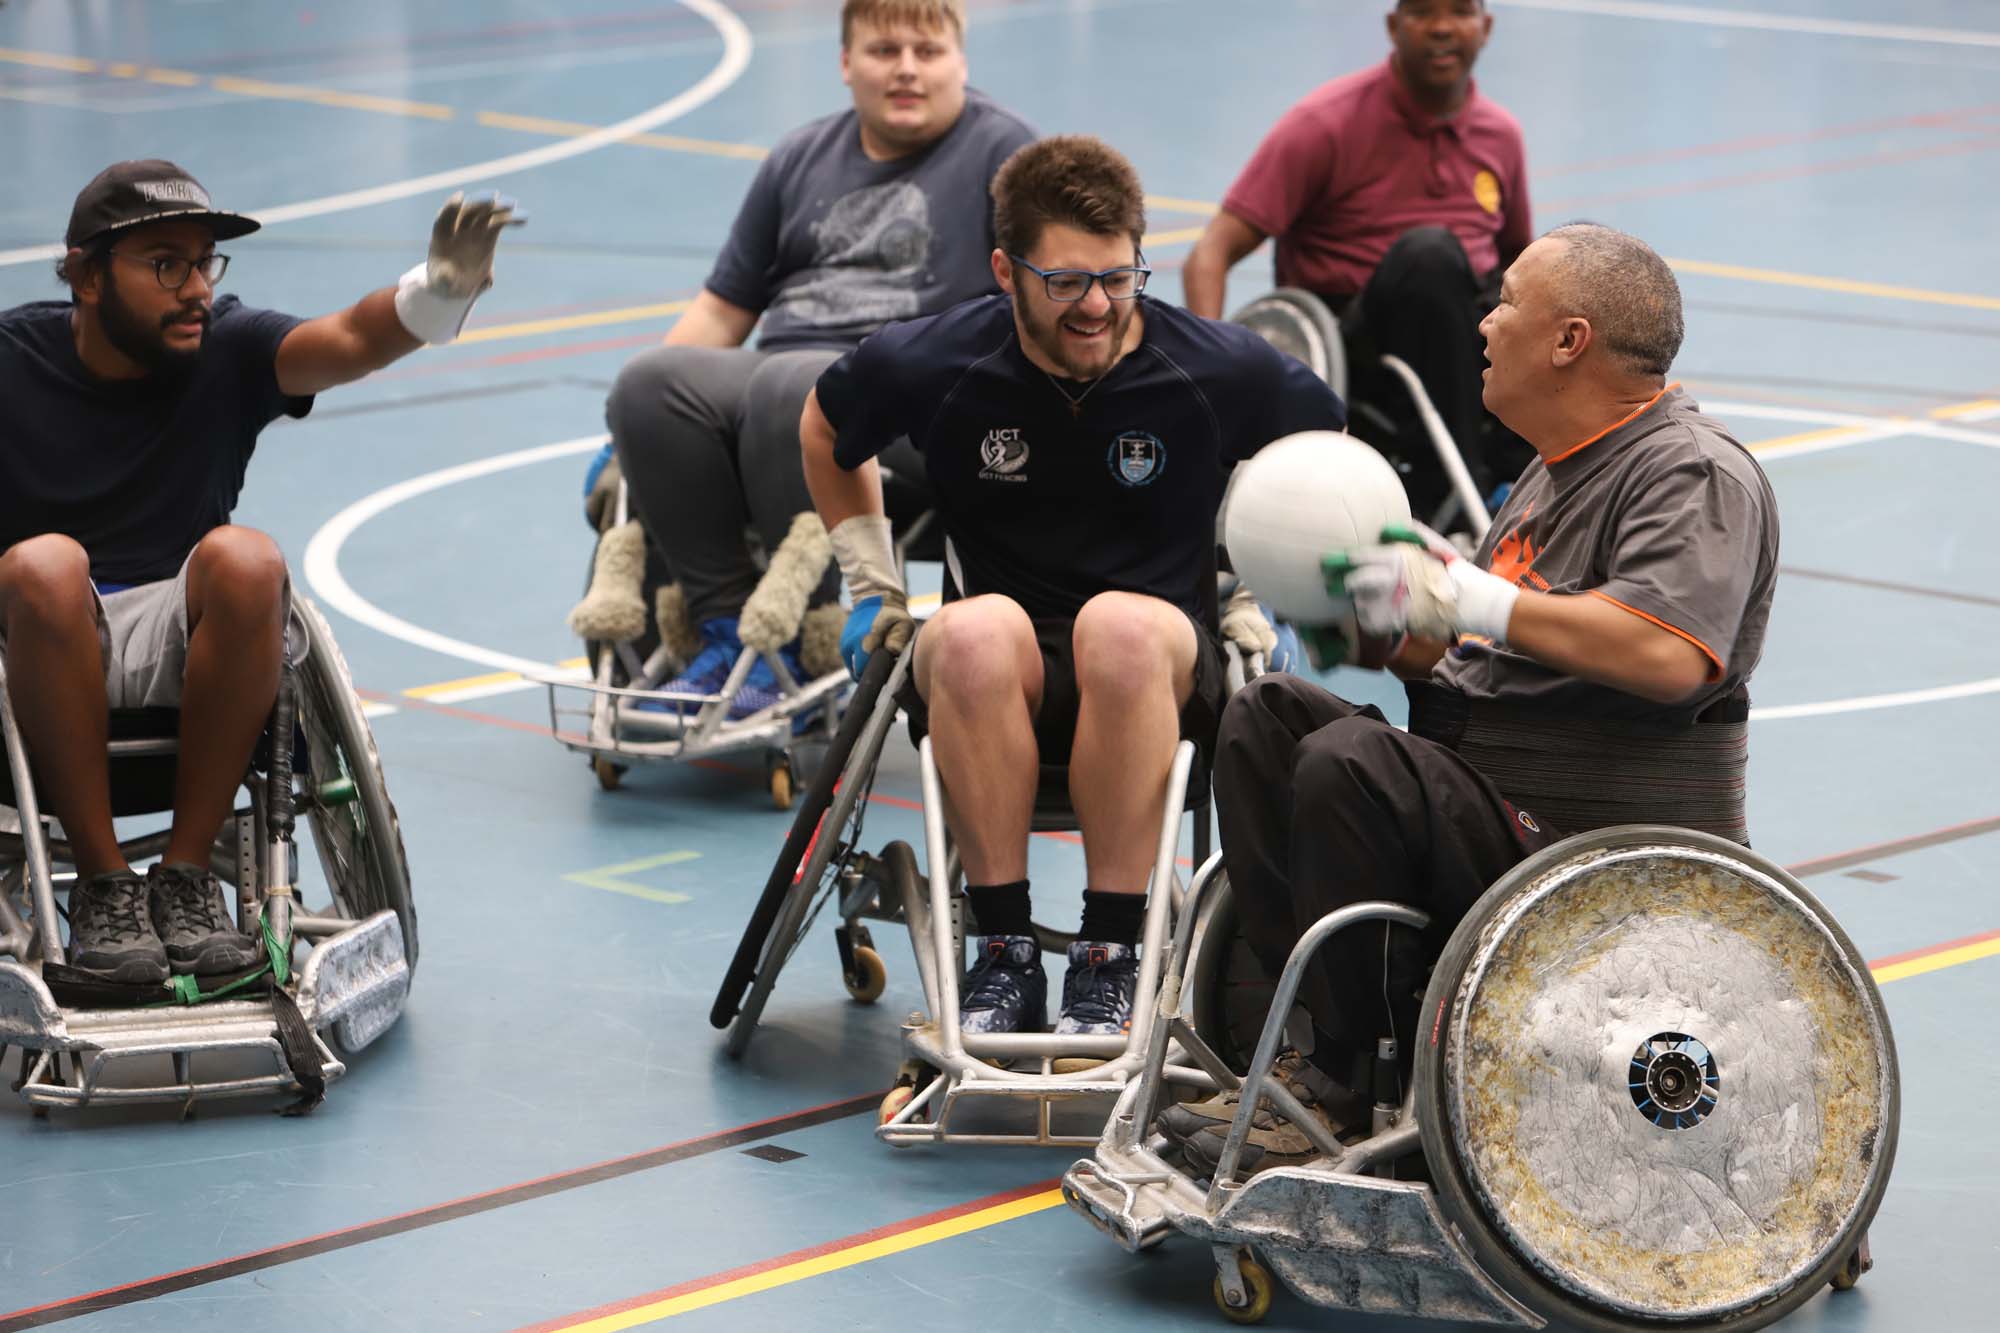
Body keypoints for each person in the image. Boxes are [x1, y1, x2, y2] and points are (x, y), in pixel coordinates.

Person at [1163, 223, 1780, 1176]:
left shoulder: (1690, 471)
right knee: (1265, 715)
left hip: (1592, 833)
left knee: (1351, 764)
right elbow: (1485, 657)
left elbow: (1668, 655)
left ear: (1569, 340)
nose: (1485, 325)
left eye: (1506, 305)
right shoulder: (1552, 470)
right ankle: (1296, 1044)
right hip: (1490, 794)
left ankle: (1343, 1080)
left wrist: (1476, 597)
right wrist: (1372, 625)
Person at [801, 136, 1348, 1038]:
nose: (1096, 306)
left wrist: (1260, 584)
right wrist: (871, 583)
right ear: (1003, 271)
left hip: (1160, 665)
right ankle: (1003, 951)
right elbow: (825, 429)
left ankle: (1110, 954)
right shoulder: (937, 364)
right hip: (997, 674)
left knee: (1120, 629)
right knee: (972, 631)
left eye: (1118, 277)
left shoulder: (1219, 368)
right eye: (1064, 283)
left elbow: (1325, 455)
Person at [0, 159, 518, 984]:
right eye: (167, 263)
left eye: (206, 262)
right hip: (39, 638)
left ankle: (187, 875)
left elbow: (347, 339)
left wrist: (440, 288)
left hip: (187, 638)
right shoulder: (13, 360)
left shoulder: (225, 350)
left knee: (249, 558)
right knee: (44, 562)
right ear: (88, 277)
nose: (197, 288)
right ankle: (103, 887)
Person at [604, 0, 1035, 718]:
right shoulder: (799, 157)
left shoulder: (1007, 157)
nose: (905, 68)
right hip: (785, 375)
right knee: (649, 386)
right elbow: (720, 308)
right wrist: (621, 431)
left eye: (927, 52)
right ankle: (727, 636)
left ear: (961, 61)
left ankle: (805, 646)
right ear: (845, 62)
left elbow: (1038, 307)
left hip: (919, 406)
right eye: (883, 49)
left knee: (801, 388)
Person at [1181, 0, 1530, 504]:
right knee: (1428, 258)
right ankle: (1456, 491)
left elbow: (1522, 259)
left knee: (1582, 260)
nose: (1441, 28)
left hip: (1466, 324)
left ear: (1486, 27)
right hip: (1357, 339)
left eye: (1459, 11)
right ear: (1393, 26)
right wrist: (1209, 370)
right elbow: (1210, 252)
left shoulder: (1501, 134)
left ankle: (1539, 482)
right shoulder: (1324, 123)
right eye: (1422, 12)